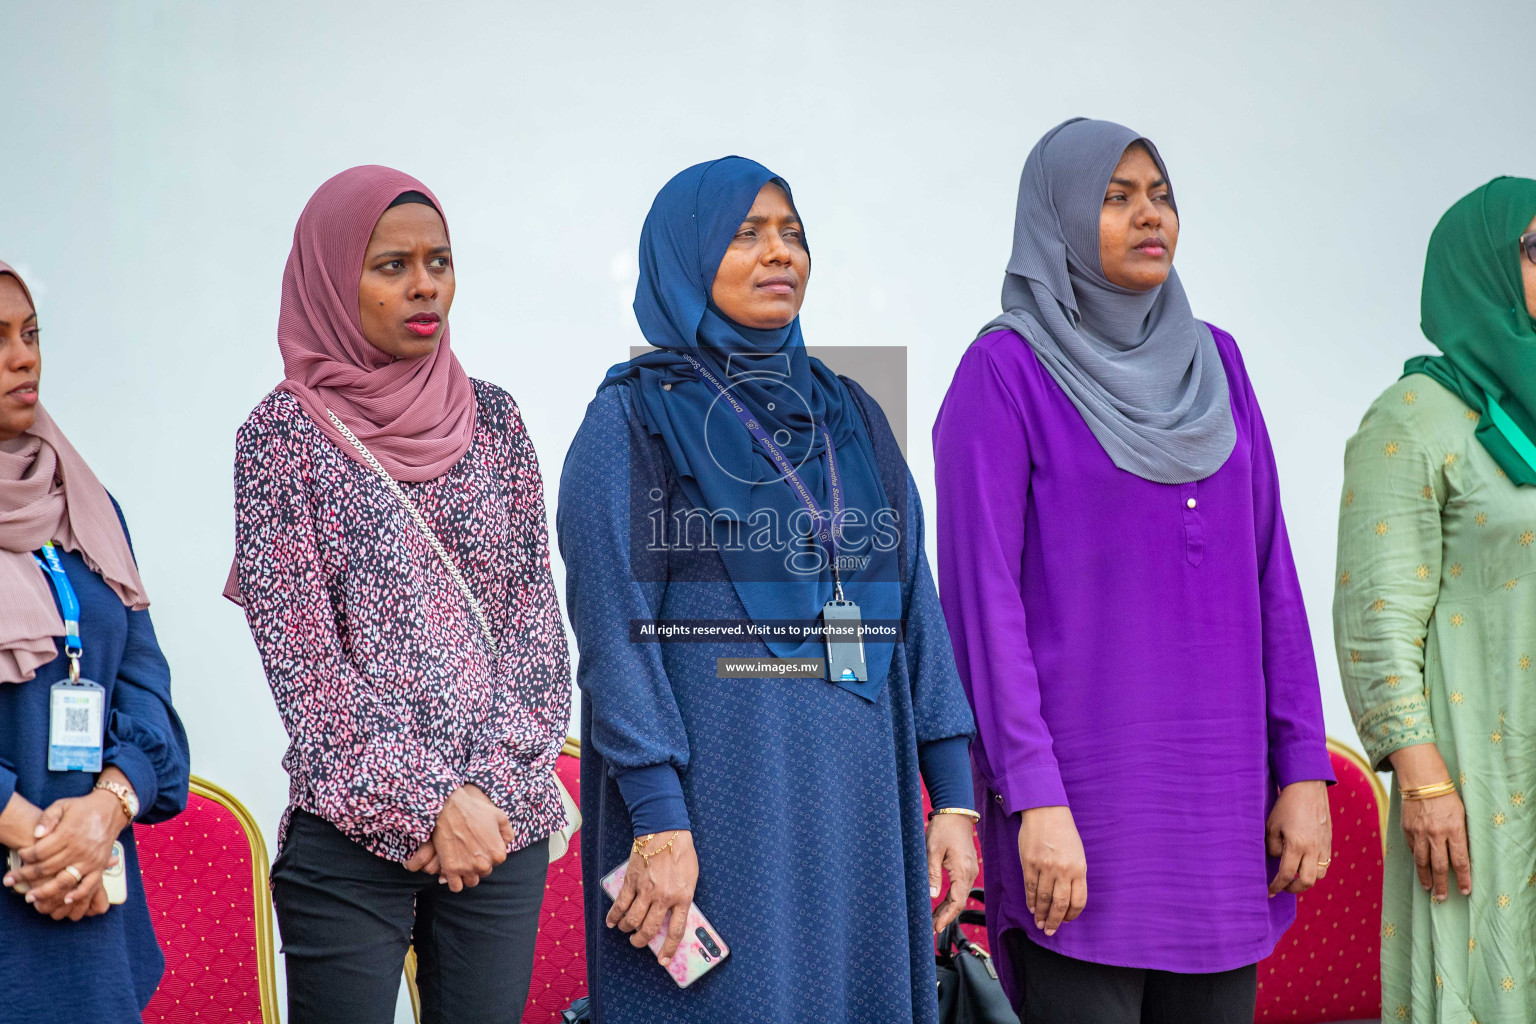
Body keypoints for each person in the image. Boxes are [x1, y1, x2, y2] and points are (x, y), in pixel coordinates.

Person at [558, 156, 978, 1024]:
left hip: (862, 810)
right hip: (714, 818)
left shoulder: (851, 413)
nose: (778, 252)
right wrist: (659, 821)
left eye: (791, 233)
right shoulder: (631, 419)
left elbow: (915, 604)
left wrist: (956, 796)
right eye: (746, 235)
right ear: (686, 257)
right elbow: (614, 633)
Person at [933, 119, 1334, 1024]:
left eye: (1159, 194)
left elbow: (1274, 573)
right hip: (1080, 827)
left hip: (1223, 821)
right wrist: (1032, 800)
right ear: (1062, 220)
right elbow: (980, 609)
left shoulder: (1219, 363)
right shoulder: (1003, 375)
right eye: (1115, 199)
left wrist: (1303, 768)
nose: (1147, 215)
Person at [228, 166, 571, 1023]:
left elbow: (536, 630)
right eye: (391, 265)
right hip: (351, 837)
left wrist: (485, 797)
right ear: (332, 277)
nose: (425, 285)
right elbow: (308, 671)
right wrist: (430, 804)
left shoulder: (496, 421)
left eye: (439, 261)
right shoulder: (280, 440)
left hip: (499, 836)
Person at [1334, 177, 1536, 1023]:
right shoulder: (1415, 418)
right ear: (1480, 266)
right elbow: (1374, 619)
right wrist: (1421, 783)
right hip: (1479, 783)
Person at [0, 259, 190, 1022]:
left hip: (91, 901)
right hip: (39, 874)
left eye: (31, 334)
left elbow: (148, 695)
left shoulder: (86, 503)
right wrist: (37, 838)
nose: (24, 357)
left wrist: (105, 811)